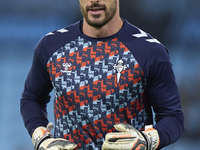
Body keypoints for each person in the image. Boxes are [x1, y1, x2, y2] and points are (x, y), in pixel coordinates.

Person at [20, 0, 184, 149]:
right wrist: (41, 138)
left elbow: (173, 117)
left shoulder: (150, 51)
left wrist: (147, 140)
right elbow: (31, 98)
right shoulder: (50, 46)